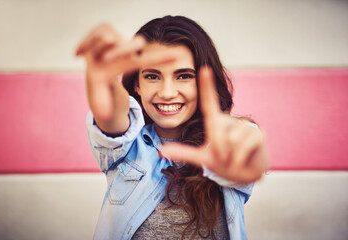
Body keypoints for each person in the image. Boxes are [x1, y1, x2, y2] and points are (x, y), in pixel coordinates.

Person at [76, 15, 268, 240]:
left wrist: (244, 156)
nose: (167, 92)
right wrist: (104, 81)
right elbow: (111, 115)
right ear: (137, 84)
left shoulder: (226, 140)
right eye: (152, 76)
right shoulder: (126, 148)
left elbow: (244, 144)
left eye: (184, 76)